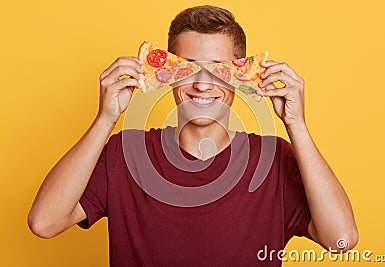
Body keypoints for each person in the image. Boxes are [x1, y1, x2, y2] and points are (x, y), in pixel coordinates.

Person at [28, 5, 358, 267]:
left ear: (241, 75)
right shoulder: (125, 153)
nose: (202, 84)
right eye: (188, 67)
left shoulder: (274, 159)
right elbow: (44, 223)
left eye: (218, 68)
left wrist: (296, 125)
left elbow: (341, 239)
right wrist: (105, 119)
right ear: (167, 74)